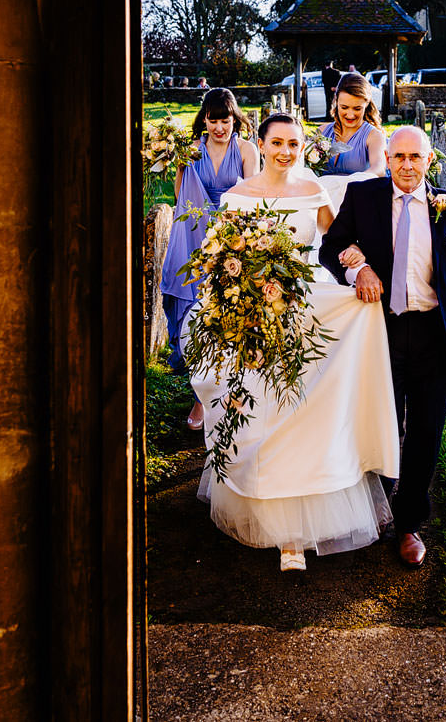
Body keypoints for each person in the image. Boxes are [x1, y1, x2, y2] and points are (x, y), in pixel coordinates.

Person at [188, 113, 399, 571]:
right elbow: (218, 257)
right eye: (277, 142)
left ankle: (302, 531)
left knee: (306, 411)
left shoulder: (313, 192)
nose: (286, 151)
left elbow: (339, 240)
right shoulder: (238, 198)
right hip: (256, 315)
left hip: (308, 307)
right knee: (264, 411)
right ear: (260, 144)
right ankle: (278, 529)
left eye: (294, 144)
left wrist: (357, 262)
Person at [318, 125, 446, 567]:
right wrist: (358, 269)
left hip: (436, 334)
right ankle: (372, 509)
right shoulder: (363, 197)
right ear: (388, 159)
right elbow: (330, 246)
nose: (407, 166)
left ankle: (409, 524)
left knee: (426, 433)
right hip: (380, 333)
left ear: (429, 160)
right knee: (381, 424)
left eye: (415, 157)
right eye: (398, 157)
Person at [159, 88, 257, 429]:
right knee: (197, 317)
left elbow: (254, 191)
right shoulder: (193, 151)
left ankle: (236, 388)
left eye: (225, 121)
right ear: (205, 120)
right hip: (196, 236)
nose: (219, 128)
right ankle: (199, 397)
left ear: (235, 119)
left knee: (233, 313)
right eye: (213, 121)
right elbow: (178, 193)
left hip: (234, 235)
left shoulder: (246, 149)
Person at [317, 72, 387, 189]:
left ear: (366, 104)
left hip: (357, 197)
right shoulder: (322, 131)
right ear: (336, 101)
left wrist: (349, 184)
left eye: (357, 108)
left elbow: (379, 169)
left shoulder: (373, 136)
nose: (350, 115)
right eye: (344, 107)